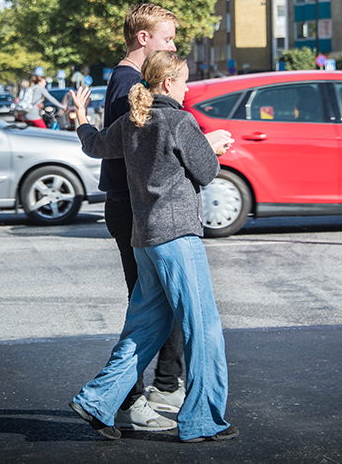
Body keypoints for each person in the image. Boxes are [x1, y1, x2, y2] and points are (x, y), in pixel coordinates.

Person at [68, 50, 236, 443]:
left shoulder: (131, 121)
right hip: (178, 237)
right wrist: (214, 148)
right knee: (203, 327)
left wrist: (80, 119)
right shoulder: (180, 120)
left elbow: (93, 146)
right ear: (167, 84)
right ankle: (203, 421)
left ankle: (97, 401)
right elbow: (207, 172)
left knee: (146, 328)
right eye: (183, 80)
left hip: (143, 238)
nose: (187, 86)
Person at [93, 3, 187, 432]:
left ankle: (164, 385)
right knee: (147, 307)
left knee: (157, 302)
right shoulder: (129, 82)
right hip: (131, 207)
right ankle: (128, 398)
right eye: (166, 38)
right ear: (143, 38)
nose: (172, 46)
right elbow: (127, 146)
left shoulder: (125, 80)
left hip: (131, 205)